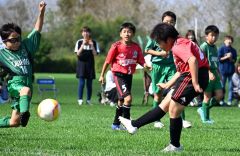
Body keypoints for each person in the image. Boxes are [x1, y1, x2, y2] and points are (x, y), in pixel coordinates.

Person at [119, 23, 209, 152]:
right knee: (165, 104)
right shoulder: (180, 43)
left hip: (193, 76)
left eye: (159, 43)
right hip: (190, 75)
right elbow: (181, 70)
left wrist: (195, 83)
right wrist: (167, 85)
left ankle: (175, 146)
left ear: (168, 40)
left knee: (173, 109)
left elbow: (193, 61)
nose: (159, 46)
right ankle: (134, 125)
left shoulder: (178, 47)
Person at [0, 1, 46, 128]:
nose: (16, 42)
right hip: (15, 84)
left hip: (27, 83)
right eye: (12, 40)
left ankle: (21, 116)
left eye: (18, 39)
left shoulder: (25, 46)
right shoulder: (1, 54)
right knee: (25, 90)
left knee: (14, 122)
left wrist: (41, 13)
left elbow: (37, 29)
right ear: (4, 42)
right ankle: (25, 113)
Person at [99, 22, 148, 130]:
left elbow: (141, 60)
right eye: (124, 32)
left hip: (129, 76)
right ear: (120, 34)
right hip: (118, 75)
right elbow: (107, 61)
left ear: (133, 34)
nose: (127, 34)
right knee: (128, 98)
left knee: (121, 101)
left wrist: (146, 65)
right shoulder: (116, 46)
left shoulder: (136, 47)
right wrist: (102, 75)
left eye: (129, 32)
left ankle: (116, 124)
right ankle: (128, 123)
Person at [197, 25, 223, 124]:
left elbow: (215, 61)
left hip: (215, 73)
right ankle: (206, 118)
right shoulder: (204, 47)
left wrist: (218, 73)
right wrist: (208, 73)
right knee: (207, 97)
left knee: (219, 95)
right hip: (207, 73)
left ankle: (202, 110)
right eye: (212, 35)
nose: (214, 38)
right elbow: (201, 62)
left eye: (216, 36)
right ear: (206, 36)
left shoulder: (215, 47)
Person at [74, 26, 100, 105]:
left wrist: (92, 46)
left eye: (87, 31)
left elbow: (95, 54)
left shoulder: (94, 42)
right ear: (82, 33)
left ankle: (88, 100)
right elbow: (77, 54)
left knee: (89, 84)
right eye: (84, 32)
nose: (85, 33)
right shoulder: (79, 42)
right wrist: (83, 45)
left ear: (90, 33)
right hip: (81, 65)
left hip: (90, 65)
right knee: (81, 83)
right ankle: (80, 100)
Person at [218, 35, 237, 106]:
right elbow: (219, 59)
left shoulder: (233, 50)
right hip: (222, 71)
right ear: (224, 41)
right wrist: (226, 56)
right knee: (222, 87)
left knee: (231, 87)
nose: (229, 41)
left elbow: (234, 61)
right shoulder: (221, 49)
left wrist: (231, 58)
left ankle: (229, 101)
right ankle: (221, 100)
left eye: (231, 40)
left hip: (231, 72)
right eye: (228, 39)